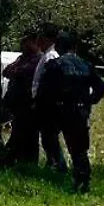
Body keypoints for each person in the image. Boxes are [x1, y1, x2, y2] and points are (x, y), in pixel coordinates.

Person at [36, 31, 104, 193]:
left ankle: (65, 171)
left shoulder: (54, 65)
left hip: (60, 110)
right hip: (81, 110)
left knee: (52, 139)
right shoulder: (86, 65)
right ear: (74, 47)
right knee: (80, 147)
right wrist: (89, 101)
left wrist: (44, 108)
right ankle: (83, 179)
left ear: (59, 47)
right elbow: (101, 87)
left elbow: (44, 91)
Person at [2, 33, 43, 164]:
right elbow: (7, 71)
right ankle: (17, 160)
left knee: (29, 135)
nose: (23, 45)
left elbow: (25, 73)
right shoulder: (22, 58)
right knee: (18, 132)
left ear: (33, 42)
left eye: (26, 42)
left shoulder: (38, 59)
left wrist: (17, 71)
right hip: (17, 104)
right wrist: (16, 71)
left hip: (29, 104)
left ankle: (27, 163)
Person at [29, 24, 65, 170]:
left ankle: (58, 164)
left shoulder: (51, 57)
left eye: (41, 38)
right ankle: (53, 162)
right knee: (47, 136)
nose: (38, 41)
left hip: (47, 103)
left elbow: (48, 81)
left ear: (46, 39)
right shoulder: (46, 55)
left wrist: (40, 99)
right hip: (43, 101)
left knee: (50, 136)